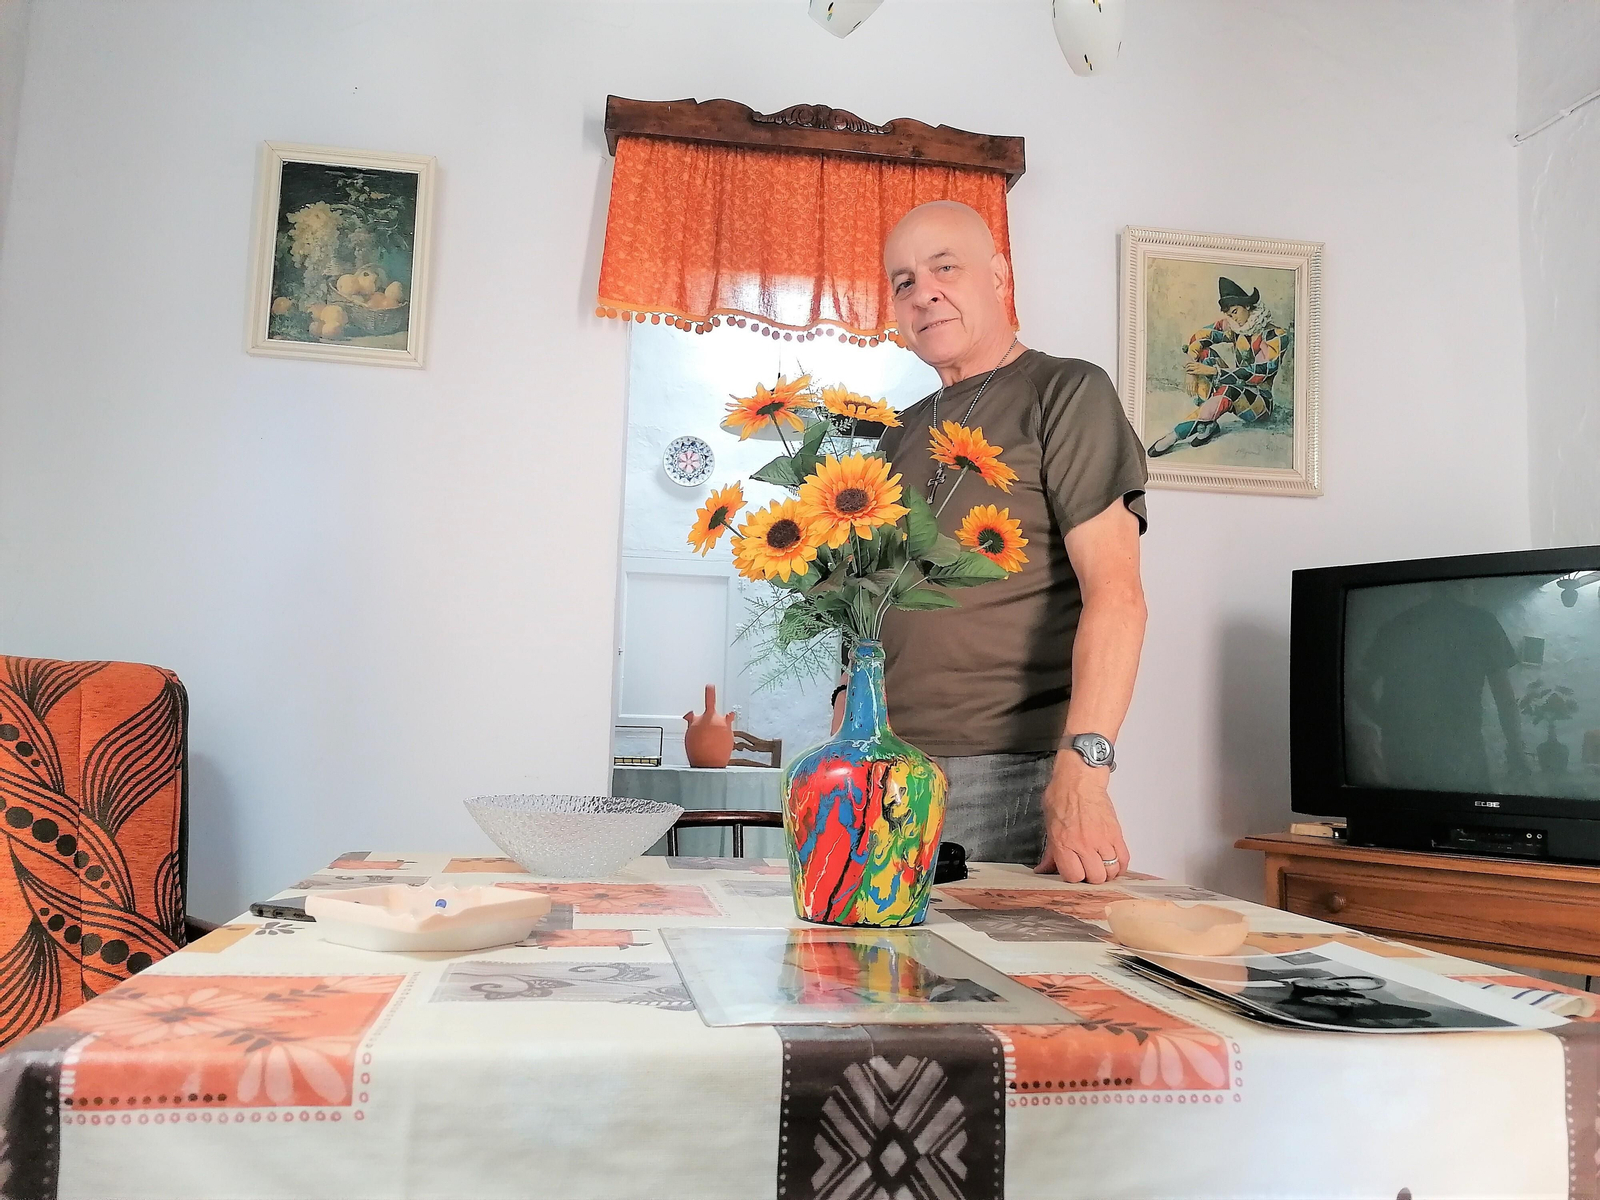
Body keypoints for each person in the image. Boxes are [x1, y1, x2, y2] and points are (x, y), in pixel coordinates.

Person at [832, 200, 1148, 885]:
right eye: (904, 281)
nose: (924, 293)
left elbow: (1118, 596)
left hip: (1004, 780)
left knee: (993, 992)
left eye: (945, 267)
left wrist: (1083, 776)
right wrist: (844, 756)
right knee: (867, 986)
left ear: (999, 276)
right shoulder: (895, 433)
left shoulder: (1065, 391)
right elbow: (862, 615)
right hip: (880, 776)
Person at [1351, 583, 1529, 792]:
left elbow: (1360, 685)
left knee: (1409, 817)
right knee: (1470, 815)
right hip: (1459, 749)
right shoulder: (1482, 622)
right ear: (1466, 588)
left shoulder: (1397, 624)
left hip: (1402, 749)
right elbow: (1504, 697)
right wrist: (1517, 751)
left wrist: (1387, 722)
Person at [1147, 277, 1290, 457]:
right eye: (1229, 315)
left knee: (1229, 389)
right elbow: (1198, 338)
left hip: (1259, 403)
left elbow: (1263, 371)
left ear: (1247, 306)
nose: (1233, 318)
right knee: (1204, 354)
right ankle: (1207, 424)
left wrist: (1216, 371)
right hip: (1231, 385)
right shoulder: (1235, 328)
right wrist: (1191, 370)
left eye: (1235, 312)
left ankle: (1175, 435)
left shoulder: (1276, 335)